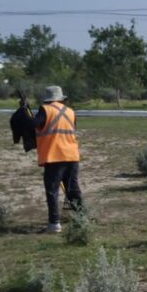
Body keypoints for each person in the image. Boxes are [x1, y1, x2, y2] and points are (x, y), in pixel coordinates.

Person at [33, 85, 83, 233]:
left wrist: (25, 114)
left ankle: (54, 223)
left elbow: (34, 125)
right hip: (72, 155)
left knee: (52, 191)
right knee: (72, 189)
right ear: (61, 99)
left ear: (47, 100)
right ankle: (81, 217)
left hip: (54, 156)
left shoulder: (45, 110)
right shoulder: (70, 112)